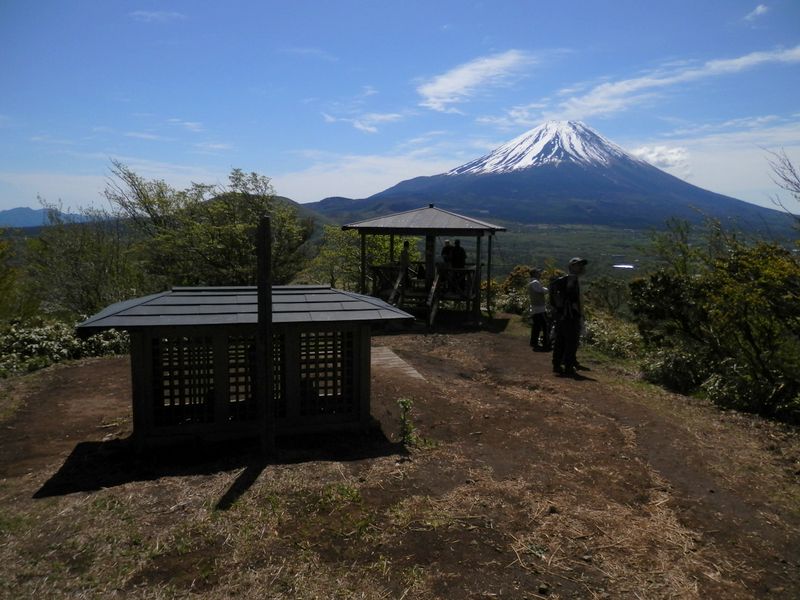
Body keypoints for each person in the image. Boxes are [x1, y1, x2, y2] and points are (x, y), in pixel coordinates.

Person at [551, 257, 587, 377]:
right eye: (578, 265)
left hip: (562, 316)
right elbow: (572, 298)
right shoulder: (572, 280)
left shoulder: (563, 280)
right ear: (571, 266)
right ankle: (568, 366)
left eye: (582, 265)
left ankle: (557, 365)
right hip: (570, 316)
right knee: (571, 342)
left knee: (560, 340)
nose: (581, 267)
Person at [527, 268, 550, 351]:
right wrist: (548, 289)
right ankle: (546, 343)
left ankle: (534, 342)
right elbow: (541, 291)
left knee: (536, 326)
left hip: (536, 308)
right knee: (545, 326)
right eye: (538, 273)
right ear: (534, 274)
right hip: (539, 308)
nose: (540, 274)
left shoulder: (532, 282)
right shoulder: (535, 282)